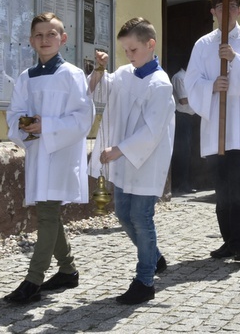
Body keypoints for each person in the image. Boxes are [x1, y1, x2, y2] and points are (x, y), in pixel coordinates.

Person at [4, 12, 94, 304]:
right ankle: (68, 270)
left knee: (47, 214)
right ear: (31, 41)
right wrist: (26, 125)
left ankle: (33, 280)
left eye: (51, 34)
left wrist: (49, 126)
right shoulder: (25, 77)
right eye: (39, 35)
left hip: (61, 153)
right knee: (48, 212)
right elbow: (14, 113)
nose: (45, 40)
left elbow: (83, 117)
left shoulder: (72, 74)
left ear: (63, 39)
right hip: (37, 152)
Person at [88, 17, 175, 305]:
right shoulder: (126, 74)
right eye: (125, 50)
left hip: (145, 161)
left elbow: (151, 131)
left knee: (141, 217)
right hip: (124, 159)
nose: (128, 55)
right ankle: (154, 256)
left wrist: (119, 149)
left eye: (133, 49)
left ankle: (145, 280)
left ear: (151, 45)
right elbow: (101, 93)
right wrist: (100, 70)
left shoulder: (160, 84)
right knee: (124, 215)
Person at [184, 0, 240, 262]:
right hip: (216, 131)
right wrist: (212, 86)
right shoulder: (202, 44)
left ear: (239, 11)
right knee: (223, 194)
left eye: (232, 6)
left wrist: (235, 59)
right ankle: (228, 240)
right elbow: (192, 82)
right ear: (213, 12)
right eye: (220, 7)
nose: (226, 11)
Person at [171, 63, 197, 193]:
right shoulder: (180, 77)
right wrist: (200, 95)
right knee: (182, 152)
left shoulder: (189, 78)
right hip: (182, 117)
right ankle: (180, 184)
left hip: (189, 117)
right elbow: (183, 100)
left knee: (188, 152)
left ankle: (185, 183)